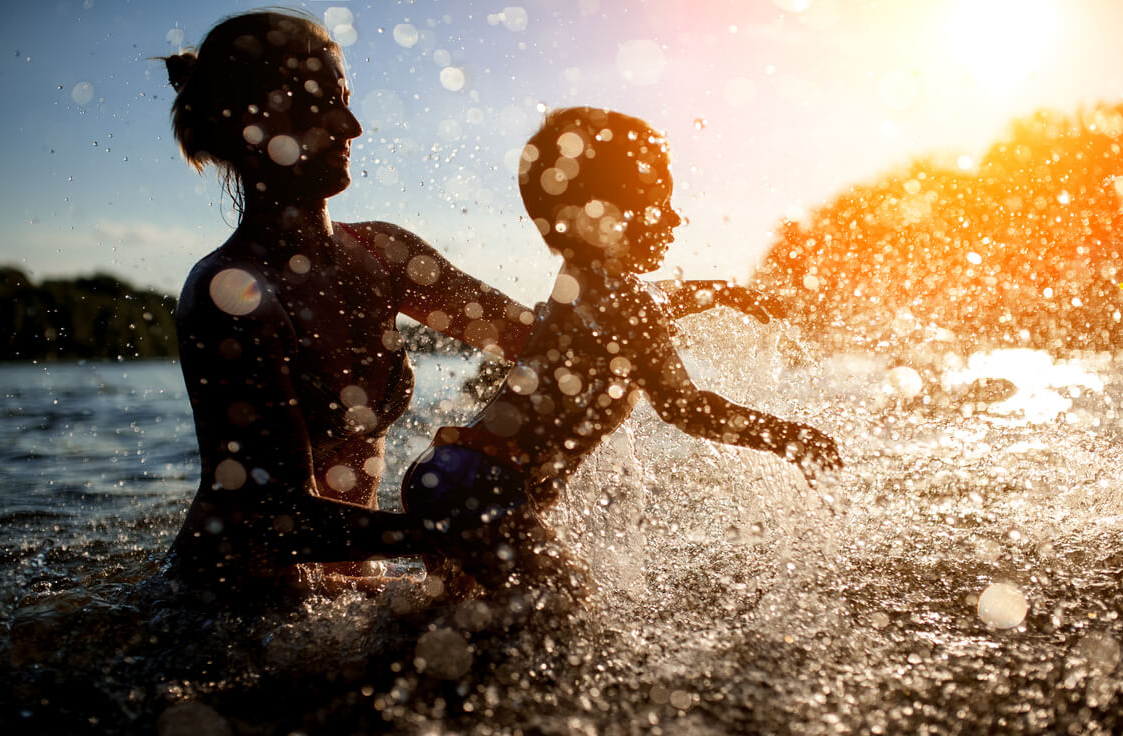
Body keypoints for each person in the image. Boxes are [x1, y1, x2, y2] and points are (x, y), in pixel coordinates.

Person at [162, 11, 536, 595]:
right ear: (248, 124)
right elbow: (273, 521)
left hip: (347, 599)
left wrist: (639, 305)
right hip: (230, 615)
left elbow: (535, 342)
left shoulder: (385, 254)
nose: (352, 125)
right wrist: (445, 534)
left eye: (344, 98)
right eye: (317, 104)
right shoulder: (230, 295)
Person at [402, 107, 843, 599]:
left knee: (456, 618)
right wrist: (787, 437)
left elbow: (657, 298)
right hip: (480, 488)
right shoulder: (620, 301)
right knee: (568, 609)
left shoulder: (584, 286)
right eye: (659, 202)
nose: (677, 218)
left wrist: (720, 292)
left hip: (452, 474)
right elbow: (685, 408)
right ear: (603, 215)